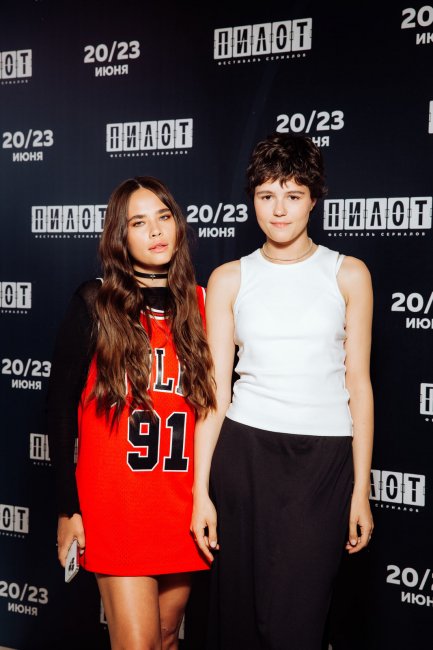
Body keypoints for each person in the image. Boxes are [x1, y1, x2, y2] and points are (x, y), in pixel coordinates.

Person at [191, 133, 374, 650]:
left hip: (323, 462)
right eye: (266, 195)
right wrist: (200, 493)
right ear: (252, 198)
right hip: (245, 456)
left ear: (314, 200)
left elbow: (359, 386)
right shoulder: (229, 278)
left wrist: (360, 490)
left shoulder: (349, 274)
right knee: (241, 617)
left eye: (293, 195)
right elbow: (215, 392)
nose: (278, 209)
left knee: (297, 621)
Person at [47, 176, 215, 650]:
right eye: (138, 223)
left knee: (167, 636)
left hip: (179, 505)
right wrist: (68, 509)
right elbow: (58, 408)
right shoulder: (95, 301)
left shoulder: (202, 304)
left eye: (164, 217)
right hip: (116, 506)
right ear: (119, 236)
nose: (156, 231)